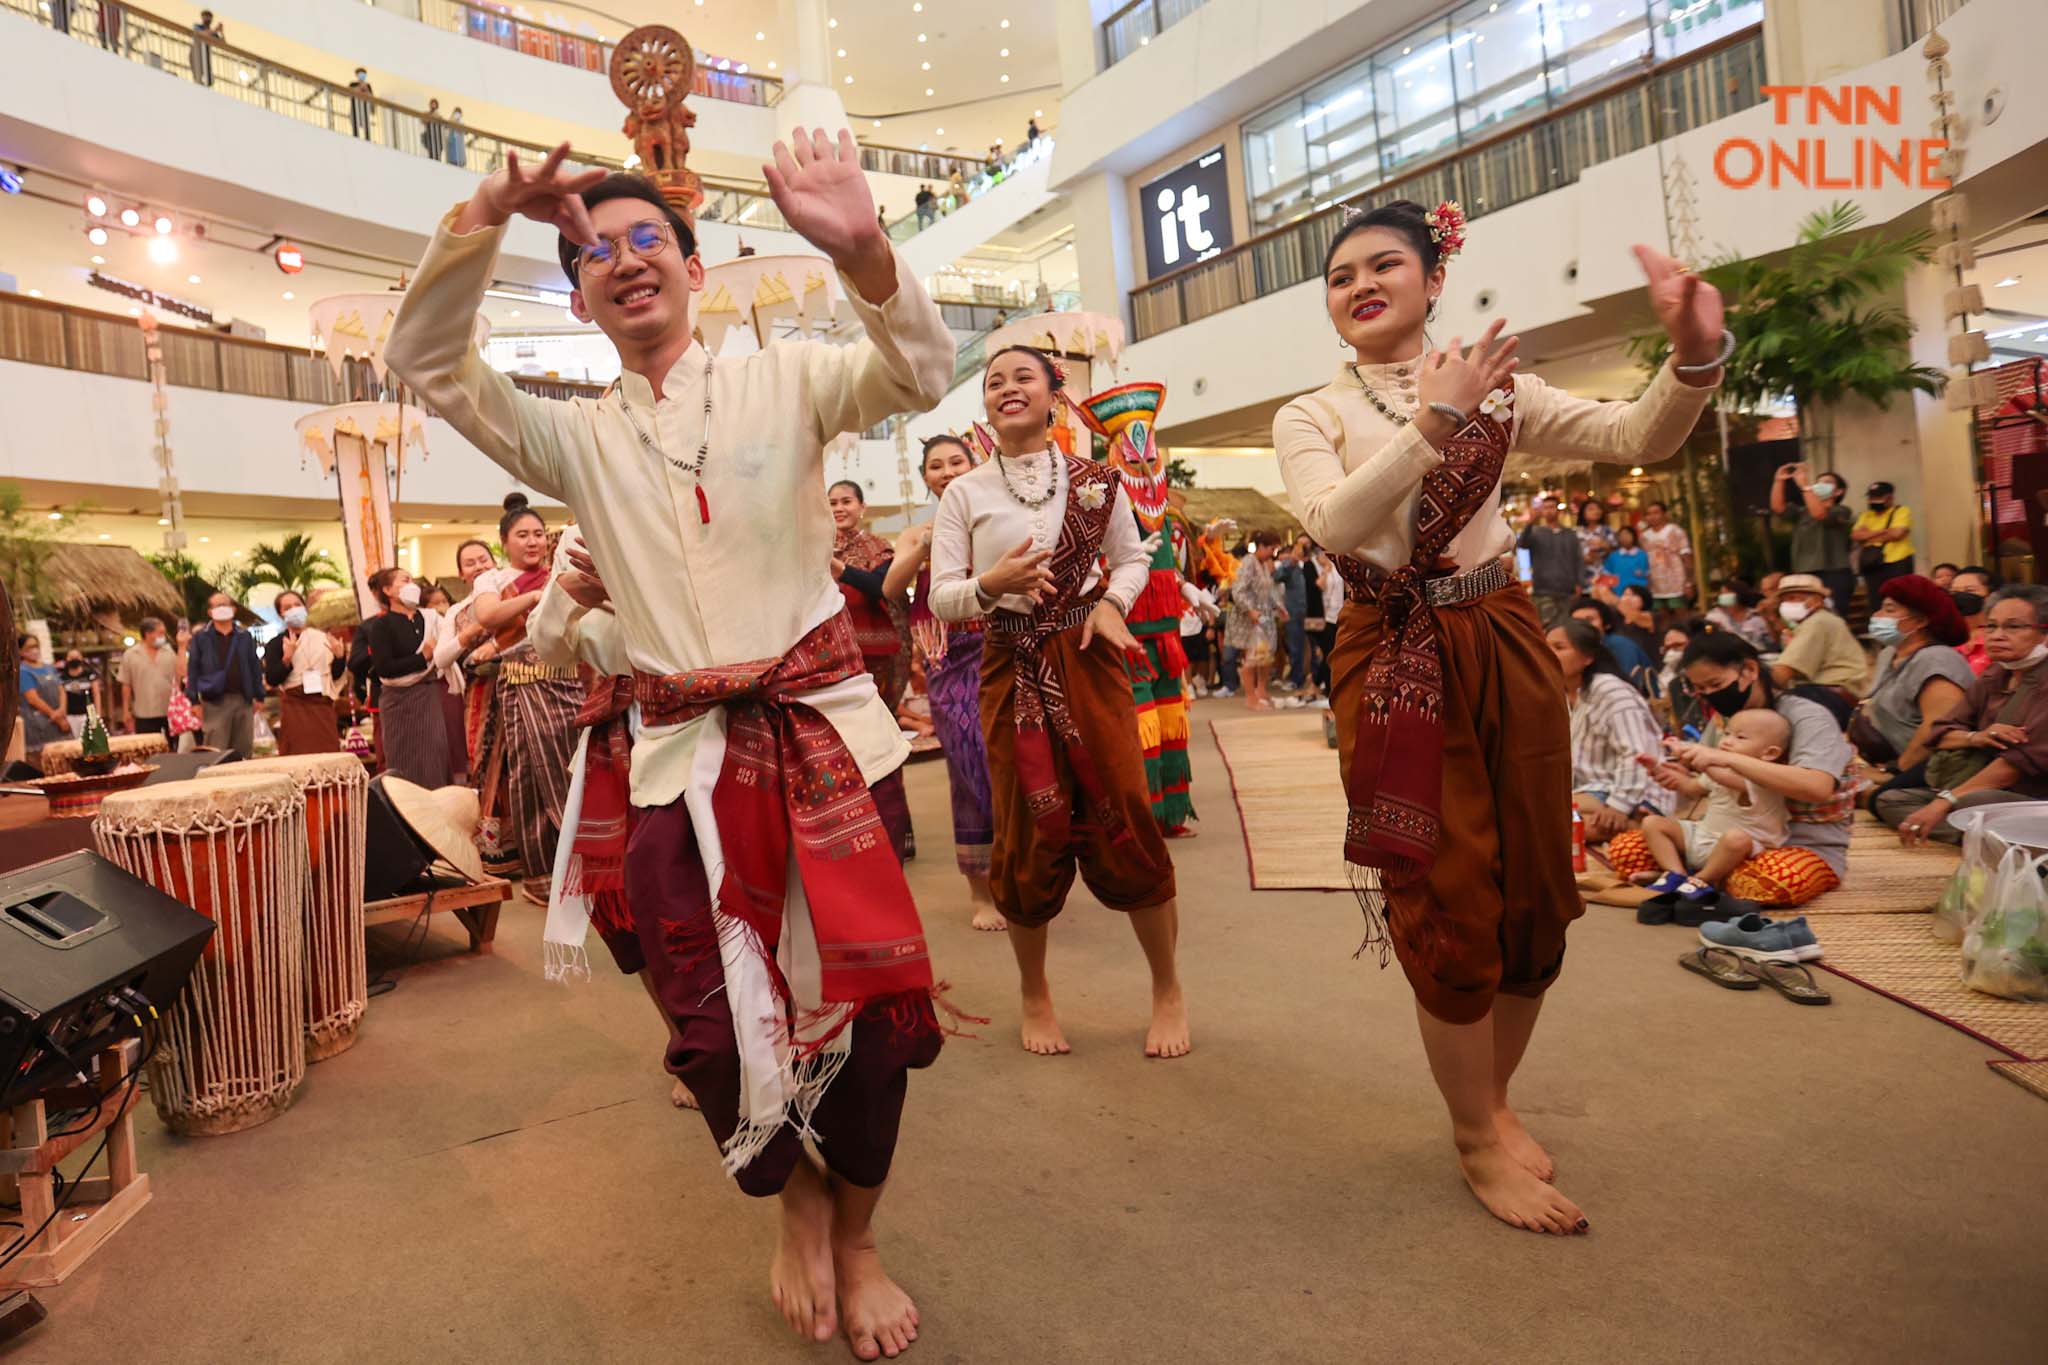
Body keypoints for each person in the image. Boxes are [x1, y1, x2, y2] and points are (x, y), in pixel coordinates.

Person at [385, 134, 955, 1357]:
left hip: (817, 751)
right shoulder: (572, 442)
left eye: (649, 241)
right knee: (699, 1028)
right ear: (583, 299)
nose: (625, 261)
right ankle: (789, 1199)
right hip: (669, 762)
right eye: (595, 253)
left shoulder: (789, 379)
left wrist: (858, 245)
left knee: (856, 1013)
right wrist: (486, 207)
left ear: (693, 268)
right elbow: (426, 361)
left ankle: (856, 1238)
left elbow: (915, 369)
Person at [1273, 196, 1724, 1235]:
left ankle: (1489, 1101)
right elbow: (1335, 522)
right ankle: (1474, 1140)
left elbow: (1630, 432)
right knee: (1443, 892)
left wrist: (1693, 356)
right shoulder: (1310, 414)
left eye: (1382, 265)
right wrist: (1435, 417)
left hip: (1502, 636)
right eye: (1339, 277)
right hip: (1390, 655)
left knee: (1531, 884)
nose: (1357, 286)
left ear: (1434, 279)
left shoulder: (1503, 388)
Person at [929, 342, 1188, 1063]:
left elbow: (1134, 558)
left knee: (1128, 810)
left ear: (1052, 394)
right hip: (1010, 661)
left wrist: (1111, 606)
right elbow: (944, 595)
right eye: (993, 381)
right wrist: (990, 584)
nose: (1006, 388)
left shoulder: (1098, 482)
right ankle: (1034, 993)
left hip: (1086, 653)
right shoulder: (964, 493)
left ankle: (1167, 987)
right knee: (1024, 826)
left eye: (1022, 378)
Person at [530, 526, 698, 1111]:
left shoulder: (680, 513)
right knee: (628, 915)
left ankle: (745, 1034)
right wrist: (570, 590)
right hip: (611, 748)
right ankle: (687, 1043)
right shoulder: (577, 536)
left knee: (700, 902)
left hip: (695, 732)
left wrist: (622, 593)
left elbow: (703, 629)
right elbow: (550, 646)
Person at [1612, 633, 1856, 907]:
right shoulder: (1727, 719)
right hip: (1722, 837)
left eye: (1715, 684)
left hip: (1801, 843)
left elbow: (1817, 787)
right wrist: (1677, 777)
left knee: (1771, 880)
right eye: (1700, 690)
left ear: (1750, 670)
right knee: (1626, 850)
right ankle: (1696, 878)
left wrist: (1724, 759)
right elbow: (1705, 782)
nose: (1710, 696)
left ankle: (1699, 879)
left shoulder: (1807, 716)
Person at [883, 436, 1003, 930]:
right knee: (971, 763)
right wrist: (929, 546)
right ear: (927, 477)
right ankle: (981, 892)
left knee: (1017, 763)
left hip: (1003, 649)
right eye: (936, 465)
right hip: (949, 658)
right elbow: (892, 588)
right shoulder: (917, 532)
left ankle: (1021, 875)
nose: (947, 471)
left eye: (956, 461)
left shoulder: (996, 515)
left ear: (974, 465)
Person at [468, 494, 584, 897]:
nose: (533, 541)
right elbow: (487, 616)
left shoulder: (561, 570)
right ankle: (541, 877)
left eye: (538, 534)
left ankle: (585, 865)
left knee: (577, 770)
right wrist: (536, 597)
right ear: (504, 542)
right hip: (523, 683)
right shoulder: (493, 580)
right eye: (522, 535)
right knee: (530, 778)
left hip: (571, 682)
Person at [1883, 584, 2048, 843]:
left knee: (1975, 801)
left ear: (2044, 634)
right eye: (1991, 626)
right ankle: (1986, 838)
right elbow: (1940, 733)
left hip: (2032, 795)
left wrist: (1944, 802)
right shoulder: (1996, 674)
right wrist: (1977, 737)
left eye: (2013, 627)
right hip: (1979, 781)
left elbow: (2014, 766)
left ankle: (1994, 837)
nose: (1997, 635)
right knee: (1892, 799)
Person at [830, 479, 915, 861]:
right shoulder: (815, 548)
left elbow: (883, 587)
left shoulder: (876, 547)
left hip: (879, 660)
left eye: (846, 501)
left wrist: (839, 568)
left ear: (861, 506)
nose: (838, 508)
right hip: (834, 659)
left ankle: (898, 831)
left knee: (882, 740)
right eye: (831, 502)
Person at [1636, 708, 1792, 902]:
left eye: (1740, 737)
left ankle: (1702, 879)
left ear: (1769, 753)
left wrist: (1694, 753)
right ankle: (1675, 873)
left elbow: (1722, 777)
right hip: (1703, 837)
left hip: (1738, 851)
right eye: (1726, 733)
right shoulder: (1717, 770)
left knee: (1736, 838)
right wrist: (1657, 769)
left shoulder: (1765, 781)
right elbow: (1689, 787)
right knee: (1653, 822)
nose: (1727, 741)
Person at [1854, 574, 1975, 797]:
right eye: (1880, 609)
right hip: (1894, 762)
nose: (1877, 616)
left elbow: (1937, 727)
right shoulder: (1889, 654)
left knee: (1866, 796)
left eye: (1890, 610)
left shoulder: (1937, 659)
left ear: (1921, 621)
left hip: (1935, 768)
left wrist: (1896, 771)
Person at [1552, 619, 1672, 841]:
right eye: (1545, 647)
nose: (1548, 654)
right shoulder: (1563, 694)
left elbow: (1637, 753)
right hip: (1592, 792)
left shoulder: (1611, 690)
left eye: (1559, 648)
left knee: (1547, 821)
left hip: (1631, 792)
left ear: (1588, 657)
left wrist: (1618, 806)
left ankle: (1639, 826)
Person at [360, 567, 451, 787]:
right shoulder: (380, 625)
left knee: (434, 759)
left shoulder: (429, 618)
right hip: (399, 703)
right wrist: (424, 657)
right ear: (388, 590)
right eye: (405, 580)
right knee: (404, 764)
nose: (412, 585)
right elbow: (385, 668)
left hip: (429, 697)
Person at [263, 590, 342, 755]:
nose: (293, 609)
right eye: (287, 607)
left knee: (328, 756)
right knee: (298, 756)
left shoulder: (323, 638)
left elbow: (335, 675)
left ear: (305, 608)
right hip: (295, 707)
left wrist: (340, 657)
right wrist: (287, 658)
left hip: (322, 706)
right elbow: (272, 678)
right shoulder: (276, 643)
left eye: (297, 605)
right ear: (280, 614)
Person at [1771, 461, 1855, 613]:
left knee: (1834, 615)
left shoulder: (1841, 511)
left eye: (1827, 483)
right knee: (1806, 615)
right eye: (1818, 482)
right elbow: (1778, 507)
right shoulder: (1802, 512)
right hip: (1805, 572)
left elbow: (1820, 514)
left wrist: (1805, 486)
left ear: (1839, 492)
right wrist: (1779, 481)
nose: (1820, 485)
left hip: (1834, 572)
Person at [186, 592, 262, 758]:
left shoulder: (244, 636)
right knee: (216, 749)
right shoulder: (201, 637)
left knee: (244, 748)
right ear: (210, 612)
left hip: (243, 699)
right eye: (217, 605)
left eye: (224, 605)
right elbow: (193, 669)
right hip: (214, 702)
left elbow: (254, 665)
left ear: (233, 609)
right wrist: (193, 701)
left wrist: (259, 695)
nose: (221, 609)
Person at [1767, 572, 1867, 696]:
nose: (1786, 604)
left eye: (1793, 598)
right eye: (1784, 600)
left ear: (1817, 600)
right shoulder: (1816, 621)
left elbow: (1783, 672)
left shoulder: (1817, 623)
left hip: (1835, 694)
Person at [1224, 536, 1283, 710]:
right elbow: (1238, 590)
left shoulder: (1264, 565)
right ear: (1261, 546)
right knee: (1251, 658)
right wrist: (1250, 610)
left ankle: (1262, 691)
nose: (1273, 554)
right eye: (1271, 549)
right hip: (1247, 618)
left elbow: (1269, 589)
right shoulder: (1248, 563)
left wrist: (1279, 606)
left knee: (1265, 657)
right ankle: (1250, 697)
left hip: (1263, 617)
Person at [1516, 495, 1579, 628]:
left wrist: (1579, 583)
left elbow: (1577, 559)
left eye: (1552, 507)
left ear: (1558, 510)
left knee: (1568, 627)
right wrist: (1530, 523)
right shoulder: (1535, 532)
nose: (1549, 511)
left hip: (1567, 590)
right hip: (1543, 590)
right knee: (1546, 627)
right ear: (1542, 511)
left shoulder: (1570, 534)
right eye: (1546, 508)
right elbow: (1521, 544)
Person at [1569, 598, 1655, 693]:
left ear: (1606, 624)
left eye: (1590, 620)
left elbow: (1629, 685)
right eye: (1576, 621)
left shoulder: (1620, 645)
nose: (1583, 625)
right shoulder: (1575, 648)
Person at [1851, 479, 1915, 603]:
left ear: (1890, 497)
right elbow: (1855, 536)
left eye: (1878, 497)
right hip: (1872, 563)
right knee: (1875, 600)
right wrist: (1884, 531)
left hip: (1897, 561)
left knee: (1900, 599)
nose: (1873, 501)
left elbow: (1897, 533)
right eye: (1871, 497)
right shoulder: (1866, 515)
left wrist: (1868, 535)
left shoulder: (1901, 511)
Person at [119, 616, 179, 736]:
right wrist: (126, 711)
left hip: (169, 711)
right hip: (143, 712)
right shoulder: (131, 655)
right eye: (160, 633)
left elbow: (179, 678)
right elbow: (126, 685)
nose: (164, 636)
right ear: (148, 634)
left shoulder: (169, 653)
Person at [15, 634, 66, 762]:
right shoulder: (23, 672)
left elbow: (61, 690)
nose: (34, 650)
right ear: (20, 651)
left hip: (60, 721)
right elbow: (33, 699)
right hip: (39, 725)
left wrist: (62, 711)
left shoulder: (49, 668)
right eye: (29, 647)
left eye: (36, 646)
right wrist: (55, 717)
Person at [1638, 500, 1693, 615]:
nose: (1652, 517)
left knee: (1680, 612)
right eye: (1649, 514)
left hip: (1676, 579)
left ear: (1664, 514)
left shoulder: (1675, 531)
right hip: (1655, 581)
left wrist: (1689, 582)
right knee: (1660, 615)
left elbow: (1686, 556)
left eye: (1656, 513)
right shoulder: (1644, 536)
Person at [1274, 536, 1311, 692]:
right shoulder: (1290, 564)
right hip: (1294, 611)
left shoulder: (1312, 564)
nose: (1302, 547)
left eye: (1306, 544)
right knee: (1294, 647)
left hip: (1312, 611)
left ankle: (1310, 678)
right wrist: (1291, 562)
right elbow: (1276, 577)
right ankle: (1295, 679)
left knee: (1312, 648)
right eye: (1299, 545)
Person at [1706, 579, 1773, 651]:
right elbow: (1706, 634)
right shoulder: (1714, 616)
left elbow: (1770, 642)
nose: (1722, 596)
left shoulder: (1756, 616)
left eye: (1727, 593)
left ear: (1739, 594)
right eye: (1722, 593)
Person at [1952, 566, 1996, 674]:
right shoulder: (1947, 636)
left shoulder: (1998, 637)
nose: (1961, 596)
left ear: (1990, 595)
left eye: (1970, 590)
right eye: (1955, 592)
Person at [1575, 498, 1616, 586]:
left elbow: (1616, 554)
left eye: (1598, 508)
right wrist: (1584, 558)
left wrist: (1605, 546)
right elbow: (1570, 556)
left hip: (1605, 574)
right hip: (1583, 575)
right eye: (1591, 509)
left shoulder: (1608, 531)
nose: (1596, 511)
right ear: (1583, 513)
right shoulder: (1576, 532)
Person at [58, 649, 98, 738]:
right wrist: (63, 718)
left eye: (76, 657)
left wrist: (96, 715)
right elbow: (63, 699)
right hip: (71, 715)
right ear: (66, 659)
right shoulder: (62, 678)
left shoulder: (89, 675)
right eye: (71, 657)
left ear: (82, 658)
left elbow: (96, 695)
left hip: (88, 714)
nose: (74, 659)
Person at [1604, 524, 1649, 599]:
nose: (1625, 538)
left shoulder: (1642, 554)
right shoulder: (1613, 556)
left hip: (1637, 592)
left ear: (1634, 537)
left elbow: (1645, 573)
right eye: (1621, 535)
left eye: (1627, 534)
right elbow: (1607, 573)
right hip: (1618, 592)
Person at [189, 10, 222, 88]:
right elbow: (200, 34)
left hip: (206, 54)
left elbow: (222, 42)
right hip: (196, 52)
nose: (207, 19)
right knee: (198, 73)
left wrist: (221, 32)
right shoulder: (197, 26)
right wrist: (215, 30)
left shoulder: (213, 32)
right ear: (202, 17)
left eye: (209, 17)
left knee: (208, 77)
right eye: (205, 16)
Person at [348, 68, 375, 140]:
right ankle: (355, 137)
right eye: (360, 74)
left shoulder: (368, 85)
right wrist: (359, 88)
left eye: (363, 74)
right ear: (357, 75)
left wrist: (366, 89)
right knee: (355, 122)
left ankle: (367, 139)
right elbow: (350, 93)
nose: (362, 76)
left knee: (366, 123)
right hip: (355, 106)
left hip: (364, 106)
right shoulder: (352, 84)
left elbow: (371, 96)